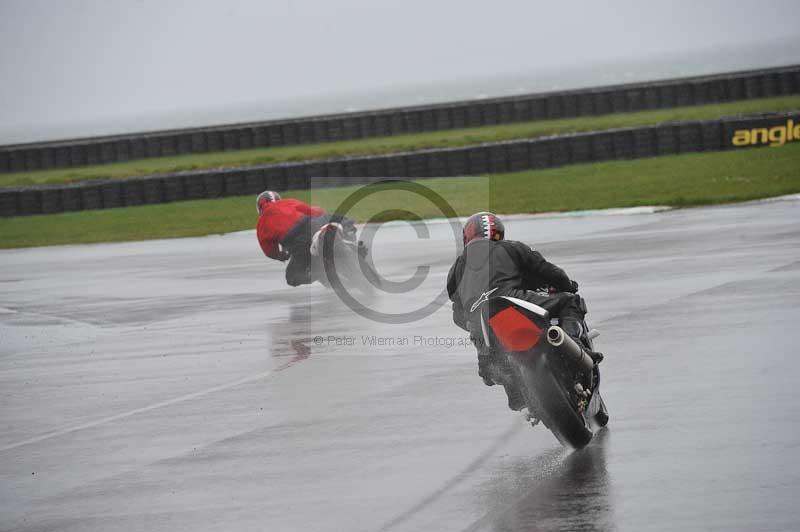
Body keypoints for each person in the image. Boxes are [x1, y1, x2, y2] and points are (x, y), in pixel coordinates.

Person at [446, 211, 602, 410]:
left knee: (491, 363)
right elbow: (547, 270)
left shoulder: (456, 269)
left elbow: (457, 313)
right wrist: (568, 284)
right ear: (497, 233)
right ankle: (579, 348)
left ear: (467, 236)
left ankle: (514, 388)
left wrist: (472, 322)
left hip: (481, 326)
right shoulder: (510, 248)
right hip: (511, 302)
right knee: (571, 301)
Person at [256, 190, 359, 286]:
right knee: (341, 219)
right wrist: (321, 214)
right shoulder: (288, 202)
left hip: (299, 245)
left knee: (292, 278)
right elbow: (313, 211)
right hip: (313, 225)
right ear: (278, 199)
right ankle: (351, 239)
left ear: (260, 208)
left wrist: (281, 256)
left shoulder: (261, 224)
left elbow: (269, 250)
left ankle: (320, 273)